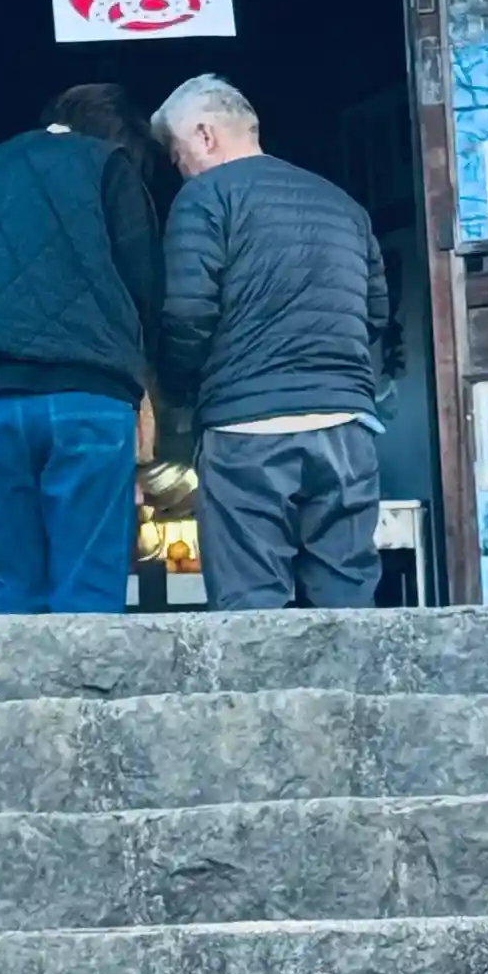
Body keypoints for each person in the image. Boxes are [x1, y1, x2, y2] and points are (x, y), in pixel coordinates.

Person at [0, 84, 159, 615]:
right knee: (88, 589)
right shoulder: (109, 165)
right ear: (119, 137)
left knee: (0, 588)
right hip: (87, 393)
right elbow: (141, 280)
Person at [152, 74, 388, 611]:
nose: (180, 167)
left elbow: (187, 313)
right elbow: (375, 313)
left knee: (251, 604)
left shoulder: (205, 197)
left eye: (177, 153)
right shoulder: (342, 204)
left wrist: (179, 396)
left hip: (246, 431)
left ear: (205, 135)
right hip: (345, 430)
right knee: (346, 596)